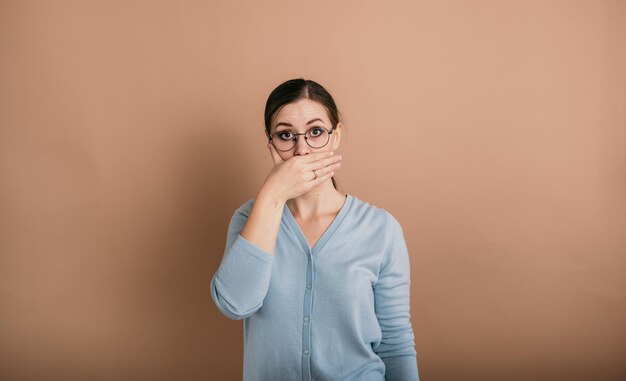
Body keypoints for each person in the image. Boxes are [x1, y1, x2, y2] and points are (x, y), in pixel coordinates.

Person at [210, 78, 419, 381]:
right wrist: (273, 195)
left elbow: (395, 342)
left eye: (316, 132)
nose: (302, 150)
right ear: (270, 144)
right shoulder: (248, 219)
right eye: (285, 135)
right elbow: (235, 305)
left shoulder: (381, 229)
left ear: (336, 135)